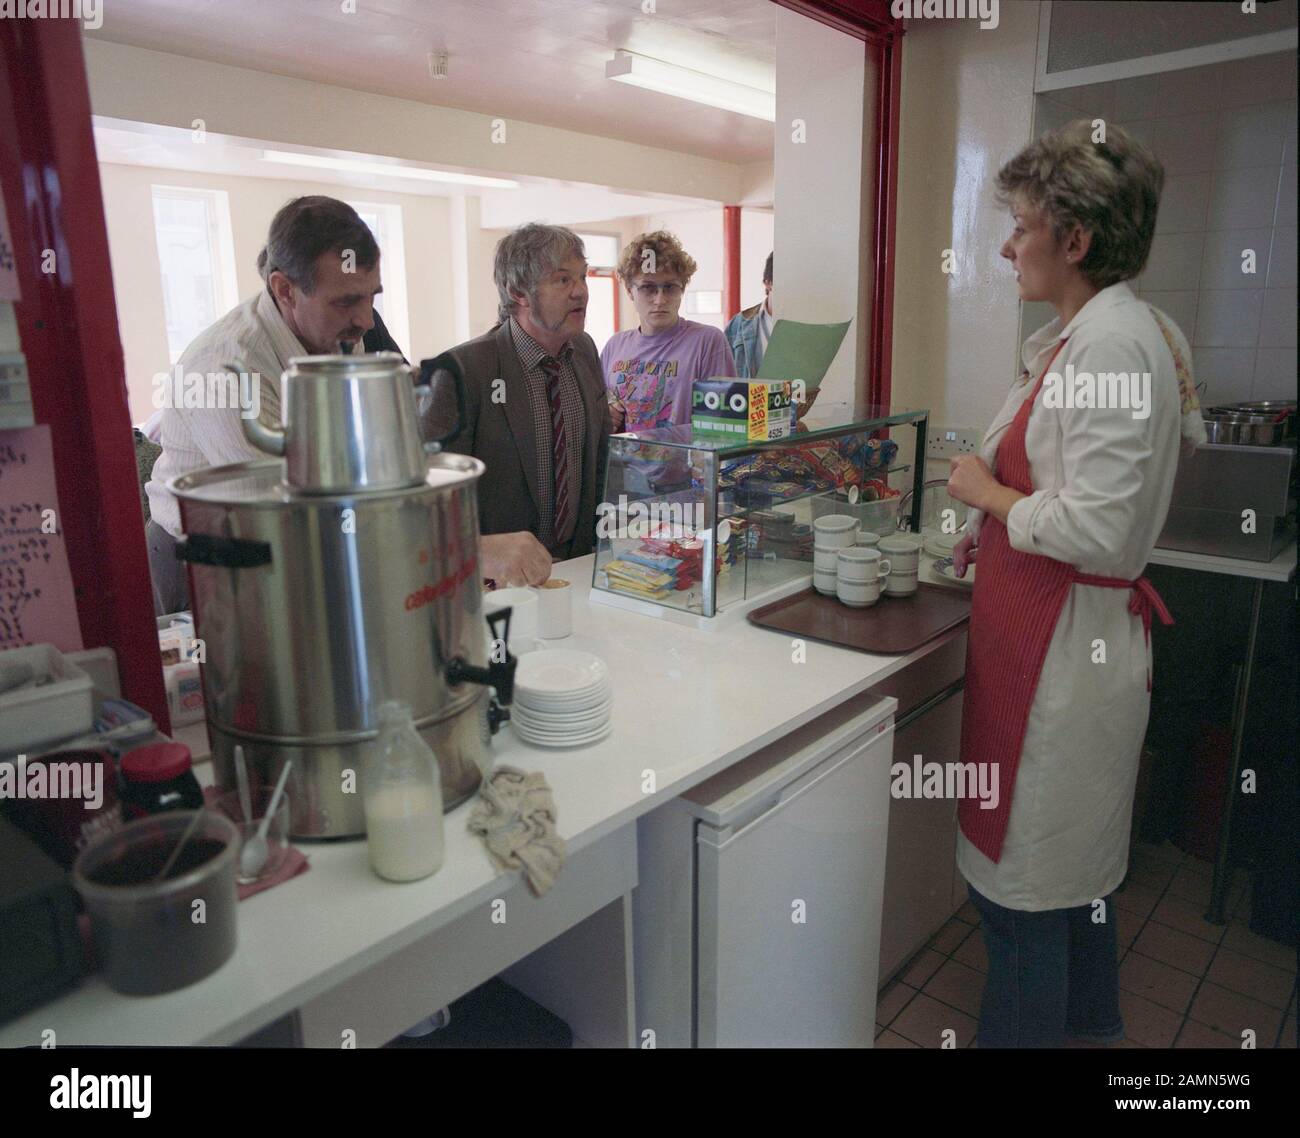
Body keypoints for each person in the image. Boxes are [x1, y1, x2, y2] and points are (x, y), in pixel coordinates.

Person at [944, 120, 1197, 1049]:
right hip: (1047, 635)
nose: (1009, 247)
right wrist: (995, 526)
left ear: (1075, 239)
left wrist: (989, 495)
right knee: (1070, 889)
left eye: (1020, 225)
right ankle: (1096, 1034)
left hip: (1062, 658)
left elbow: (1101, 522)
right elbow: (1073, 485)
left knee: (1023, 910)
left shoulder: (1109, 348)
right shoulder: (1090, 335)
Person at [144, 196, 392, 614]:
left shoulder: (342, 335)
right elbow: (283, 513)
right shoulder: (225, 367)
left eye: (372, 297)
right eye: (347, 301)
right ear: (284, 290)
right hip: (214, 559)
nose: (367, 319)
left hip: (300, 543)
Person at [426, 223, 610, 585]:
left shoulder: (586, 350)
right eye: (562, 280)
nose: (581, 292)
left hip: (577, 573)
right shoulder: (461, 372)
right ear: (518, 292)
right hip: (497, 588)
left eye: (582, 277)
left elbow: (600, 460)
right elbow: (429, 508)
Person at [600, 231, 736, 433]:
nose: (660, 300)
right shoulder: (615, 345)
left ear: (682, 289)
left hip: (684, 464)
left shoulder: (706, 342)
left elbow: (723, 425)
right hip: (621, 463)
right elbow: (599, 405)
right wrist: (606, 412)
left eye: (670, 287)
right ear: (630, 290)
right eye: (648, 288)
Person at [725, 251, 772, 379]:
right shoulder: (739, 323)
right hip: (748, 397)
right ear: (768, 283)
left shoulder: (803, 322)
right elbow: (724, 376)